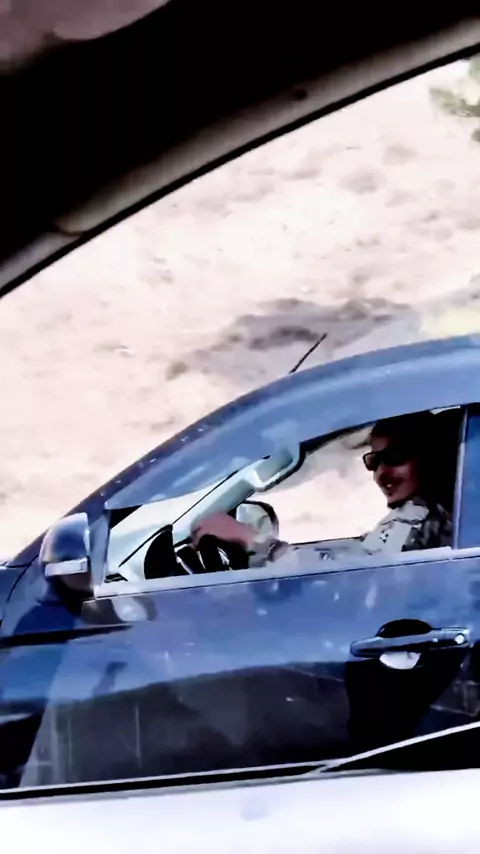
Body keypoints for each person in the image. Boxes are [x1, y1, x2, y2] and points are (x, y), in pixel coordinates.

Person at [191, 411, 453, 566]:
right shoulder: (424, 514)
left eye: (396, 458)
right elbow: (359, 557)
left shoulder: (426, 519)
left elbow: (355, 578)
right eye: (373, 461)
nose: (381, 473)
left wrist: (250, 540)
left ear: (429, 457)